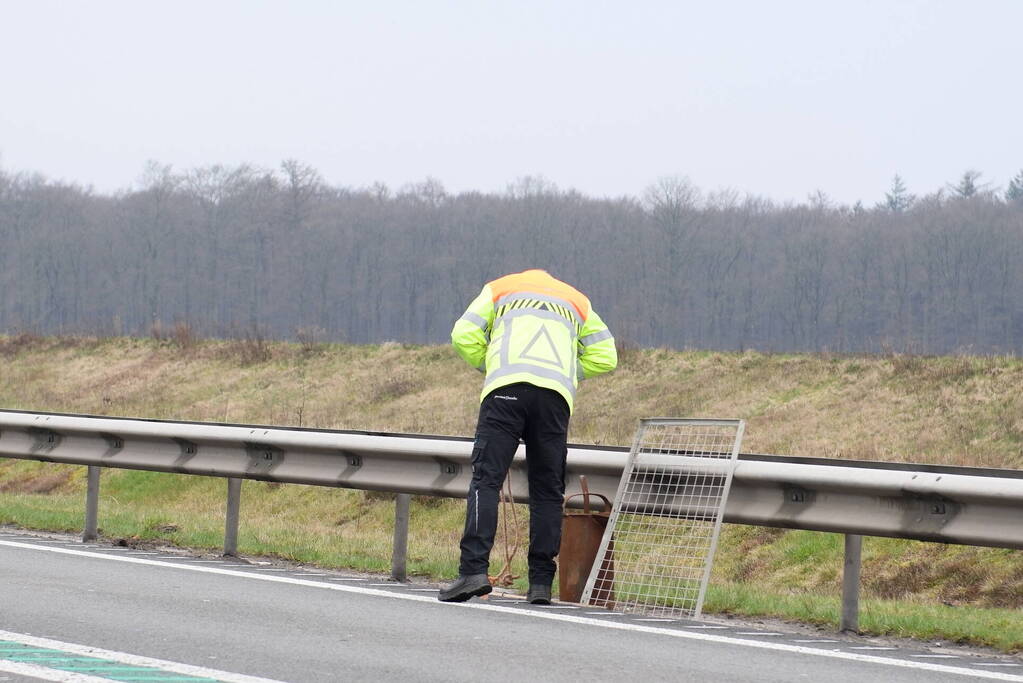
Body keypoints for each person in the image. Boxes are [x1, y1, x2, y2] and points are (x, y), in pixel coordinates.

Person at [439, 269, 617, 604]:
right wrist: (567, 371)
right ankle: (539, 585)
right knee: (547, 491)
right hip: (553, 398)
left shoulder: (499, 289)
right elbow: (606, 357)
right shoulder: (577, 301)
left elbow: (463, 335)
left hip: (504, 391)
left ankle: (473, 571)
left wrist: (490, 363)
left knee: (486, 481)